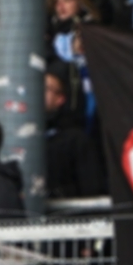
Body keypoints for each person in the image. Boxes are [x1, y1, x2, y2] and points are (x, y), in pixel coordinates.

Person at [44, 61, 104, 198]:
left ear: (60, 99)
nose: (37, 92)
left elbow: (91, 187)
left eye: (46, 88)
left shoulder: (76, 140)